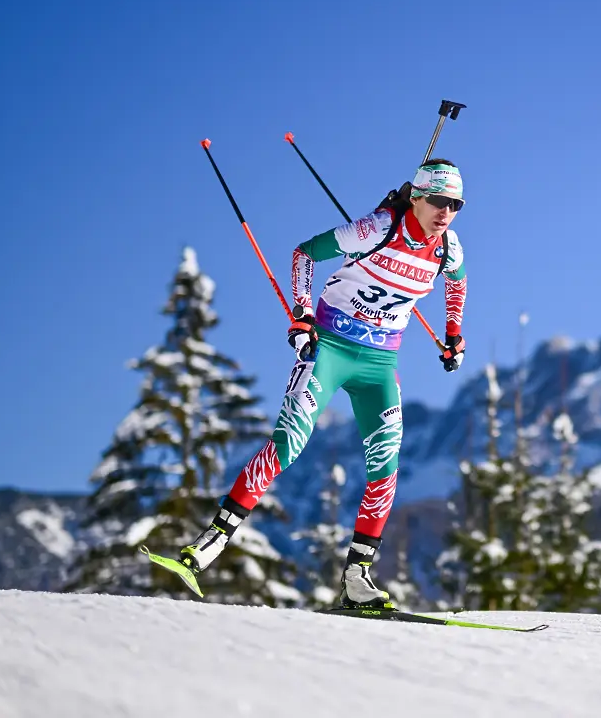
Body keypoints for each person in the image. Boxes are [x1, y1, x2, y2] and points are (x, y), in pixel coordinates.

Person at [175, 159, 468, 610]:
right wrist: (303, 315)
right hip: (330, 349)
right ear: (416, 197)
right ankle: (210, 542)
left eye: (456, 205)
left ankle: (357, 578)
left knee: (386, 466)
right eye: (438, 201)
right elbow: (304, 253)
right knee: (288, 443)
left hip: (379, 363)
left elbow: (457, 284)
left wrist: (453, 337)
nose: (446, 211)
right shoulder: (377, 228)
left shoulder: (448, 248)